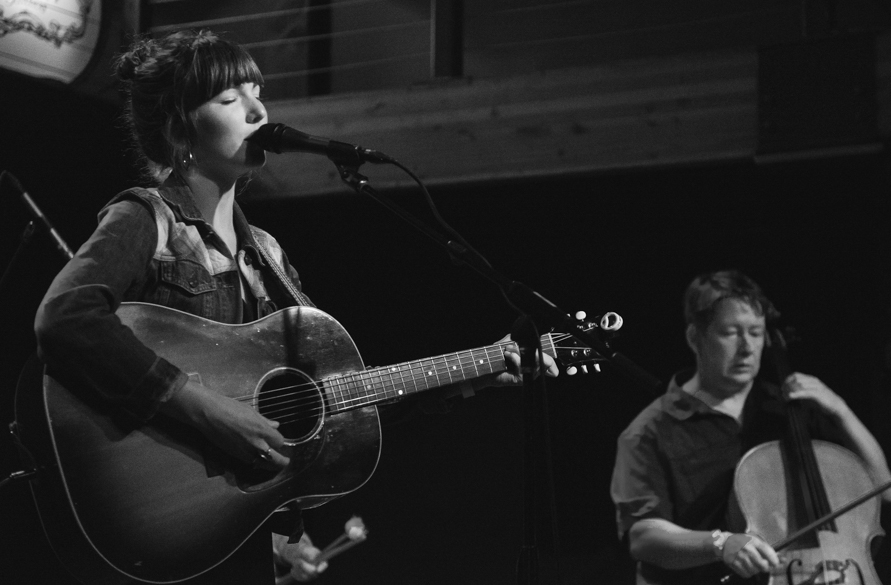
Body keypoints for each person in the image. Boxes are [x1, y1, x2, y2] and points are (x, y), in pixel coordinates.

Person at [32, 29, 555, 584]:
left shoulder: (270, 256)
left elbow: (336, 397)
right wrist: (206, 407)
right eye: (231, 99)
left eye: (258, 92)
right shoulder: (146, 219)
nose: (259, 110)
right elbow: (66, 317)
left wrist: (475, 371)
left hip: (235, 532)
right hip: (157, 504)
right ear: (177, 127)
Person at [610, 270, 891, 585]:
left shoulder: (790, 411)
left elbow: (884, 489)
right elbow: (643, 536)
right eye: (731, 332)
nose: (747, 347)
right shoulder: (649, 430)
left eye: (756, 333)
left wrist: (841, 409)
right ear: (695, 337)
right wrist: (719, 543)